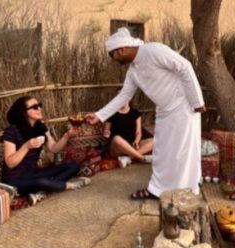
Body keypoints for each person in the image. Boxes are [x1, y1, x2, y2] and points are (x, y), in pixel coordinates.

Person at [85, 27, 205, 199]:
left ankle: (185, 190)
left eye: (113, 55)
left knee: (182, 153)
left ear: (122, 49)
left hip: (183, 106)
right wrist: (99, 115)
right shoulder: (133, 71)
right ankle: (157, 190)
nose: (113, 60)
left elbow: (184, 66)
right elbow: (124, 96)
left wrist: (197, 101)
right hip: (164, 111)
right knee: (161, 153)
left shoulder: (154, 50)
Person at [1, 96, 90, 204]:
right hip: (15, 178)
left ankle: (42, 191)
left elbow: (53, 148)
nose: (39, 109)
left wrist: (66, 136)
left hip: (33, 172)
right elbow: (10, 163)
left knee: (73, 166)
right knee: (41, 181)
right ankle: (68, 186)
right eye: (34, 107)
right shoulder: (11, 131)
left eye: (39, 105)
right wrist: (26, 146)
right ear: (24, 112)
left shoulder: (40, 127)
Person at [103, 103, 154, 167]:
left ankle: (128, 158)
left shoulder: (135, 113)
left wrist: (137, 140)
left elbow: (138, 131)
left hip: (132, 145)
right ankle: (142, 158)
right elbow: (106, 130)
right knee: (117, 138)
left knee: (155, 140)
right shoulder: (112, 113)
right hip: (118, 147)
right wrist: (106, 133)